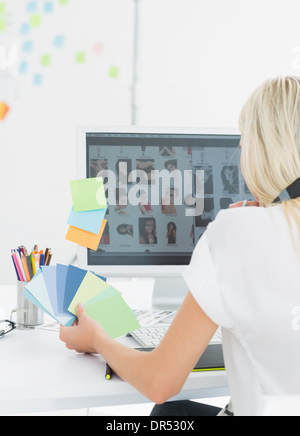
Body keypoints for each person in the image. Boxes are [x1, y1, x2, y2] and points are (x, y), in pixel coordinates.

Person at [60, 76, 300, 416]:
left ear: (262, 151)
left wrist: (97, 338)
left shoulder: (237, 232)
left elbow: (160, 382)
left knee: (167, 413)